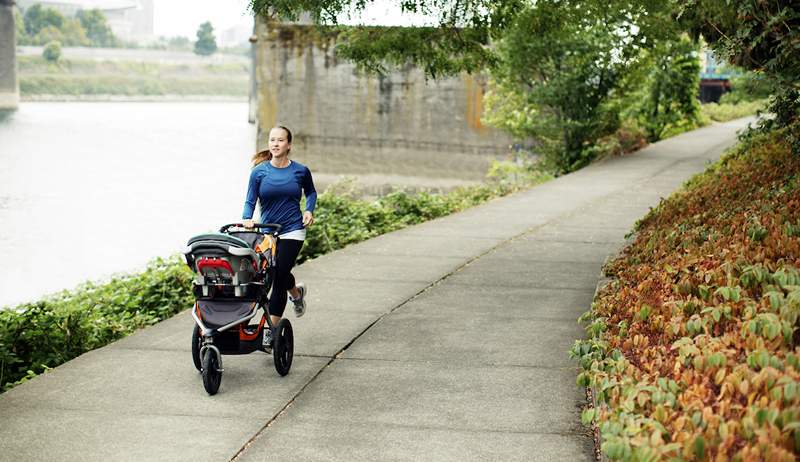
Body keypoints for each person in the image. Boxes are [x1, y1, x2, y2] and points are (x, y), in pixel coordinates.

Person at [242, 125, 316, 350]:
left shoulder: (300, 171)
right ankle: (296, 293)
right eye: (272, 140)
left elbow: (311, 192)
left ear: (289, 145)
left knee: (278, 275)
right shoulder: (259, 172)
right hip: (268, 232)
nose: (275, 144)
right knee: (276, 275)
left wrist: (309, 210)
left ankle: (270, 332)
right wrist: (247, 218)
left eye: (280, 140)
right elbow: (250, 200)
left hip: (293, 229)